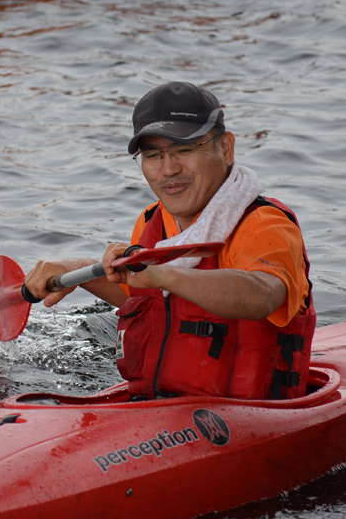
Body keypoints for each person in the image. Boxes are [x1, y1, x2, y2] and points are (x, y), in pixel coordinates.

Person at [25, 82, 316, 400]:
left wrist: (162, 273)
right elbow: (146, 299)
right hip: (160, 410)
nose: (169, 169)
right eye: (153, 155)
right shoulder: (153, 221)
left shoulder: (263, 225)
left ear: (226, 148)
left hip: (252, 416)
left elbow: (263, 295)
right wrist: (75, 269)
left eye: (185, 150)